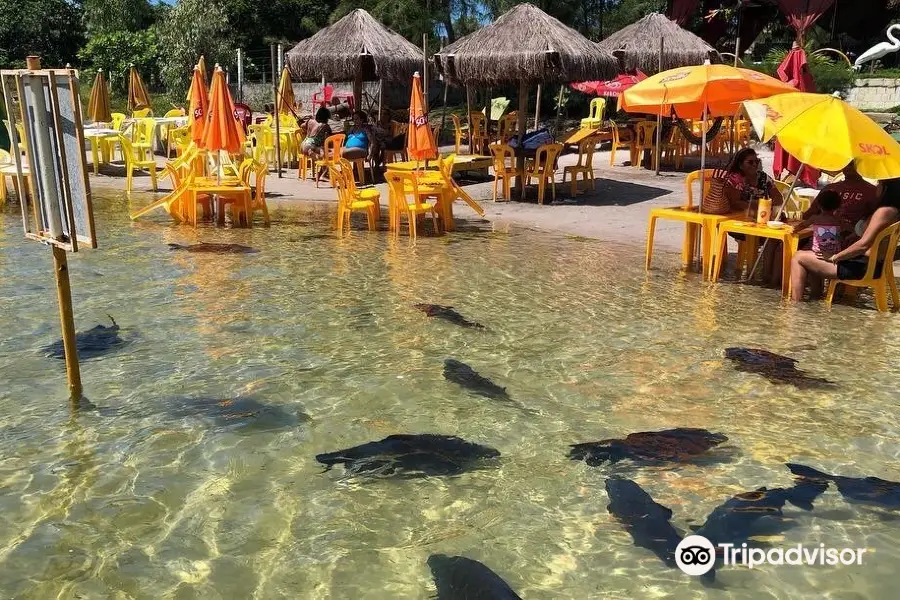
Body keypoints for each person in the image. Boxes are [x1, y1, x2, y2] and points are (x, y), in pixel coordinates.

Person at [790, 178, 900, 302]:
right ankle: (815, 298)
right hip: (872, 264)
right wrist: (854, 234)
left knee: (798, 257)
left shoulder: (883, 212)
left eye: (879, 184)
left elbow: (863, 245)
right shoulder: (893, 212)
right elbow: (873, 236)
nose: (877, 186)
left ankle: (795, 306)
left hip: (861, 267)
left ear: (886, 189)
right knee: (814, 256)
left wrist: (835, 257)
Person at [802, 162, 878, 234]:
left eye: (851, 164)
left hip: (852, 237)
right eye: (846, 163)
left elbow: (874, 220)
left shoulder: (872, 191)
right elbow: (811, 211)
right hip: (822, 234)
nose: (847, 167)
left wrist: (857, 234)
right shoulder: (830, 188)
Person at [791, 190, 851, 259]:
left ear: (819, 205)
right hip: (834, 252)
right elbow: (852, 230)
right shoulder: (839, 220)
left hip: (817, 252)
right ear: (837, 206)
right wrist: (846, 238)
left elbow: (801, 226)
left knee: (801, 247)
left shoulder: (815, 218)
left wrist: (793, 229)